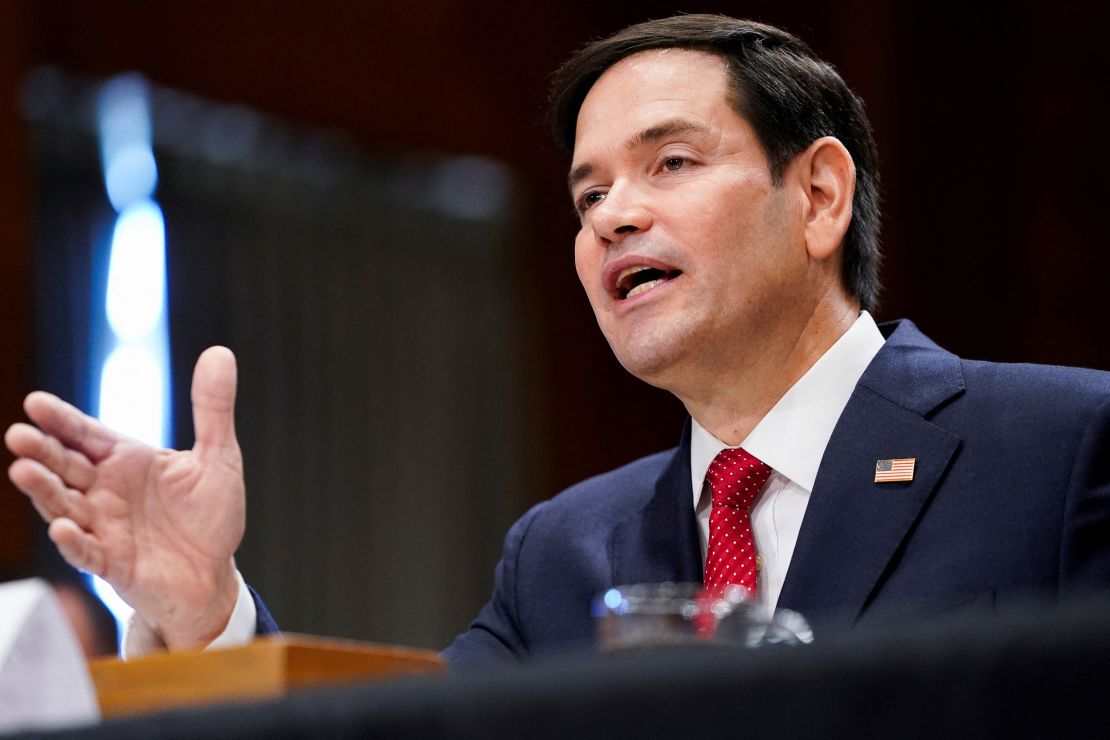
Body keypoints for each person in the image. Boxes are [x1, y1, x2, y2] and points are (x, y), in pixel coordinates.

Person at [6, 15, 1110, 664]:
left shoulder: (1061, 451)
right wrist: (207, 611)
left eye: (668, 163)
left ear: (819, 195)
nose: (612, 217)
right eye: (588, 196)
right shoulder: (562, 551)